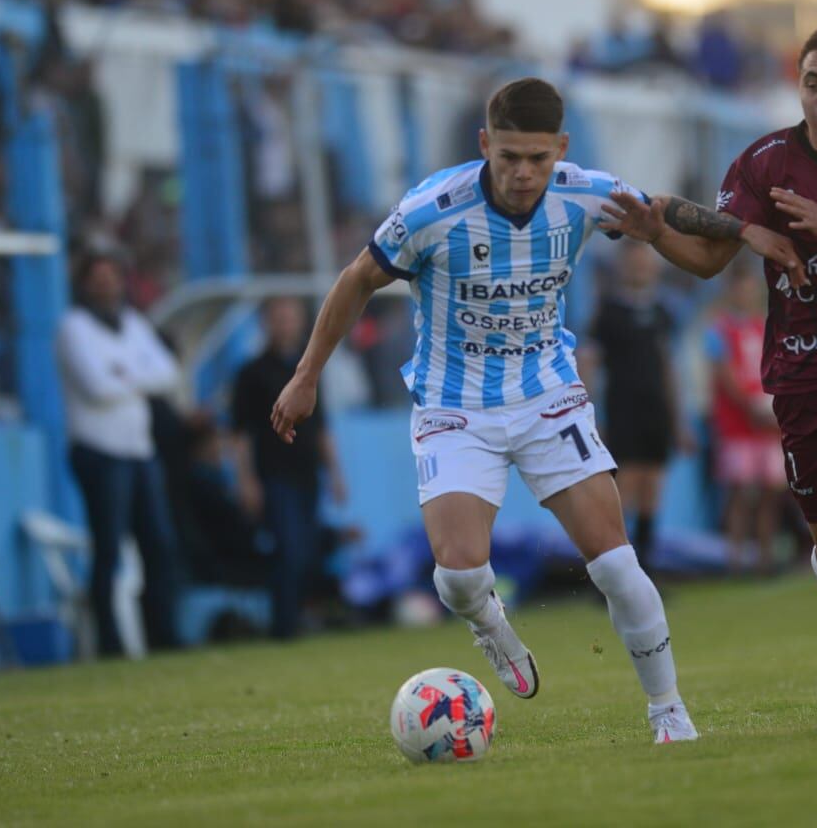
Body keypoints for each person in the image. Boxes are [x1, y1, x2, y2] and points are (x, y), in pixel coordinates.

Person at [270, 77, 698, 743]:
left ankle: (668, 709)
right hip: (453, 403)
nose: (524, 173)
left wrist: (743, 235)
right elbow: (357, 278)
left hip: (547, 395)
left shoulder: (589, 193)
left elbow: (681, 236)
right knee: (462, 573)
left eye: (538, 158)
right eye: (509, 158)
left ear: (560, 148)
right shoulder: (432, 209)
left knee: (617, 564)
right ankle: (488, 624)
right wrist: (306, 375)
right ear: (483, 146)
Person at [604, 26, 817, 719]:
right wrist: (656, 232)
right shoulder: (765, 163)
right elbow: (708, 260)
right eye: (812, 83)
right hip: (803, 370)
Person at [56, 249, 183, 656]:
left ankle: (161, 636)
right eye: (98, 277)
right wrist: (138, 377)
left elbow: (170, 373)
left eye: (112, 276)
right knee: (108, 550)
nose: (107, 285)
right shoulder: (72, 328)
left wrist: (123, 375)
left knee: (158, 546)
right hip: (99, 451)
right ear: (84, 284)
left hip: (139, 451)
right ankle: (110, 644)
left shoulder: (132, 323)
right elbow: (96, 387)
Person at [232, 296, 347, 639]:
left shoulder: (307, 371)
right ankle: (284, 626)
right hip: (274, 474)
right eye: (278, 317)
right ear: (266, 323)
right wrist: (246, 480)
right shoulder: (251, 373)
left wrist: (336, 474)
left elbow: (322, 426)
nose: (285, 325)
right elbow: (240, 434)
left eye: (291, 317)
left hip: (307, 473)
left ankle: (299, 618)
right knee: (288, 549)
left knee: (308, 550)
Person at [583, 241, 683, 571]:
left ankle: (647, 571)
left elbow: (668, 366)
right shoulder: (608, 313)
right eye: (634, 262)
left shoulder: (663, 312)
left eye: (645, 262)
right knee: (622, 491)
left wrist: (677, 420)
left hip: (655, 413)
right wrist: (589, 416)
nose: (640, 268)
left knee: (652, 489)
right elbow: (589, 363)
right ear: (622, 267)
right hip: (622, 411)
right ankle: (616, 574)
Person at [704, 264, 786, 575]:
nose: (745, 292)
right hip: (737, 426)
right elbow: (725, 376)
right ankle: (735, 560)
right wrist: (754, 407)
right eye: (740, 286)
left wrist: (773, 407)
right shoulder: (718, 330)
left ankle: (765, 558)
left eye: (749, 286)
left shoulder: (764, 327)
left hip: (767, 426)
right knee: (739, 491)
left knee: (769, 492)